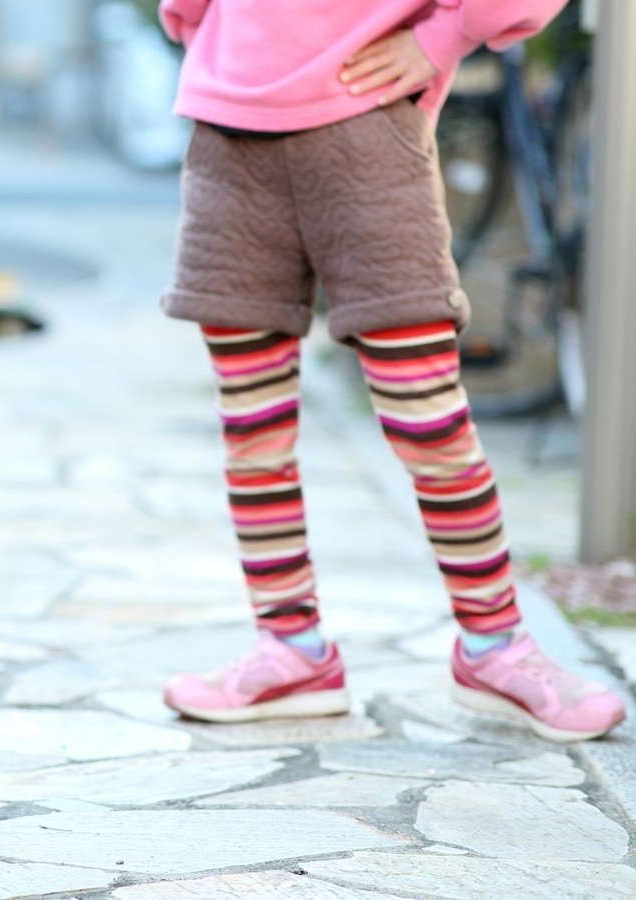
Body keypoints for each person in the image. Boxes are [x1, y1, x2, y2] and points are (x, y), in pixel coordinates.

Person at [155, 1, 626, 742]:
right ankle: (291, 648)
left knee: (426, 419)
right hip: (227, 139)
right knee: (252, 429)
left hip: (364, 132)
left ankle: (496, 645)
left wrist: (445, 33)